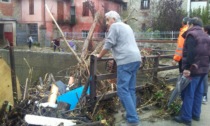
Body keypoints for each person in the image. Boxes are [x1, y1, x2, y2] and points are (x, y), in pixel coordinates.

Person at [96, 11, 141, 126]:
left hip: (125, 60)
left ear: (114, 19)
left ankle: (132, 119)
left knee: (122, 90)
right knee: (130, 89)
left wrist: (99, 56)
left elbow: (109, 43)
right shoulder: (127, 26)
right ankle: (132, 114)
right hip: (136, 58)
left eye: (107, 20)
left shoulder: (115, 26)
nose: (107, 23)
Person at [174, 17, 210, 126]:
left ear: (191, 24)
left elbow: (190, 53)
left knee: (188, 93)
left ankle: (186, 118)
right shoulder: (206, 35)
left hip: (193, 69)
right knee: (198, 93)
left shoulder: (191, 35)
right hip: (204, 69)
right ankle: (196, 114)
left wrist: (187, 68)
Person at [202, 25, 210, 104]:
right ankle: (204, 95)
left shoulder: (207, 39)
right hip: (206, 61)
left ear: (206, 31)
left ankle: (204, 96)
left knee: (204, 78)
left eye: (203, 29)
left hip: (205, 61)